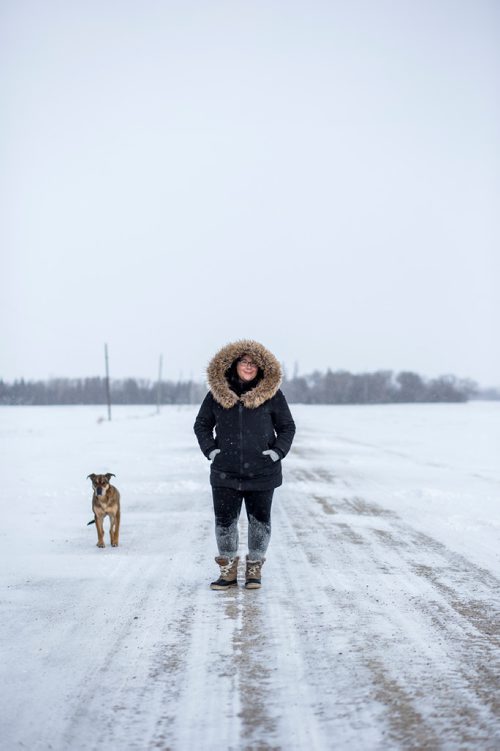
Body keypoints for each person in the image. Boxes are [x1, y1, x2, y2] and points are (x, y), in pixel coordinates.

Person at [194, 339, 296, 590]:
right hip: (224, 472)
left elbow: (287, 427)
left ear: (261, 367)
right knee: (225, 522)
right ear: (233, 365)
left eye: (253, 363)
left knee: (259, 521)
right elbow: (202, 425)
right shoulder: (217, 394)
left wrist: (276, 453)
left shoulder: (272, 395)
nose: (249, 367)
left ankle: (254, 568)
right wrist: (212, 451)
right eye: (244, 362)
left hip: (262, 472)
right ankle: (227, 571)